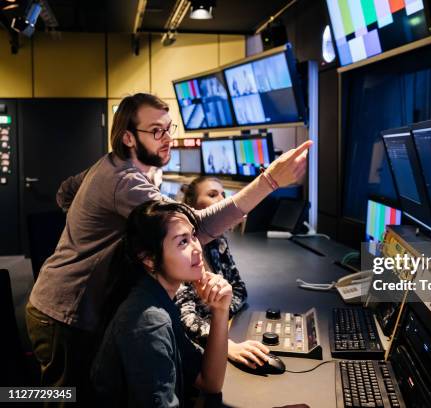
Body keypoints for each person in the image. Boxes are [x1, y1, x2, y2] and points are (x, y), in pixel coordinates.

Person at [25, 92, 311, 401]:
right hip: (66, 312)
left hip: (68, 303)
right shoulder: (124, 182)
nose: (167, 139)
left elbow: (65, 193)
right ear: (129, 138)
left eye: (169, 128)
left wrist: (88, 232)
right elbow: (197, 227)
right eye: (156, 131)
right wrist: (269, 181)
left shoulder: (108, 165)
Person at [91, 200, 232, 407]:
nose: (197, 248)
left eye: (193, 236)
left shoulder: (158, 298)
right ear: (149, 258)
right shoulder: (150, 322)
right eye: (182, 242)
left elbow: (209, 382)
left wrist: (220, 310)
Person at [177, 176, 269, 369]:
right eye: (212, 195)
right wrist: (224, 342)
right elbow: (185, 318)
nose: (222, 200)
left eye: (223, 194)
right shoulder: (180, 251)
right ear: (191, 206)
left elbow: (239, 289)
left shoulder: (218, 241)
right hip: (188, 350)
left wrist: (221, 312)